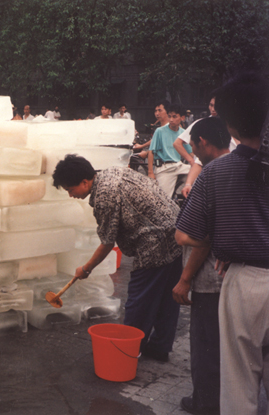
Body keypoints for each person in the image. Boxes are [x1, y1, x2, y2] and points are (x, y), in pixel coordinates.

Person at [176, 73, 269, 415]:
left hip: (245, 282)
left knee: (239, 386)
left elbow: (188, 234)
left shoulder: (216, 172)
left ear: (228, 124)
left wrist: (230, 240)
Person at [53, 155, 181, 361]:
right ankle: (159, 347)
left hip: (154, 241)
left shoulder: (104, 195)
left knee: (139, 301)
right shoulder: (111, 172)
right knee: (167, 297)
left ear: (85, 182)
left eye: (70, 189)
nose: (70, 195)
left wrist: (85, 269)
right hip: (175, 231)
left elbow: (107, 243)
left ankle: (127, 352)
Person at [171, 117, 231, 415]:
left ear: (204, 143)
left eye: (193, 147)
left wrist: (184, 279)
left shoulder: (212, 174)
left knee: (206, 345)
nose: (193, 154)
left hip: (210, 280)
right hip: (236, 278)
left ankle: (205, 403)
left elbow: (199, 237)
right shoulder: (245, 166)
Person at [173, 97, 239, 198]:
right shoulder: (202, 125)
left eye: (216, 106)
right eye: (211, 105)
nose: (213, 109)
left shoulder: (235, 129)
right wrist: (188, 183)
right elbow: (197, 162)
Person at [147, 103, 192, 199]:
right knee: (163, 200)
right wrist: (150, 172)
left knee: (200, 174)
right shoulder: (160, 131)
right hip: (165, 168)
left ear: (182, 118)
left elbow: (191, 153)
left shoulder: (183, 133)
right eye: (169, 116)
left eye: (174, 117)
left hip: (179, 166)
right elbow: (151, 151)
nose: (171, 120)